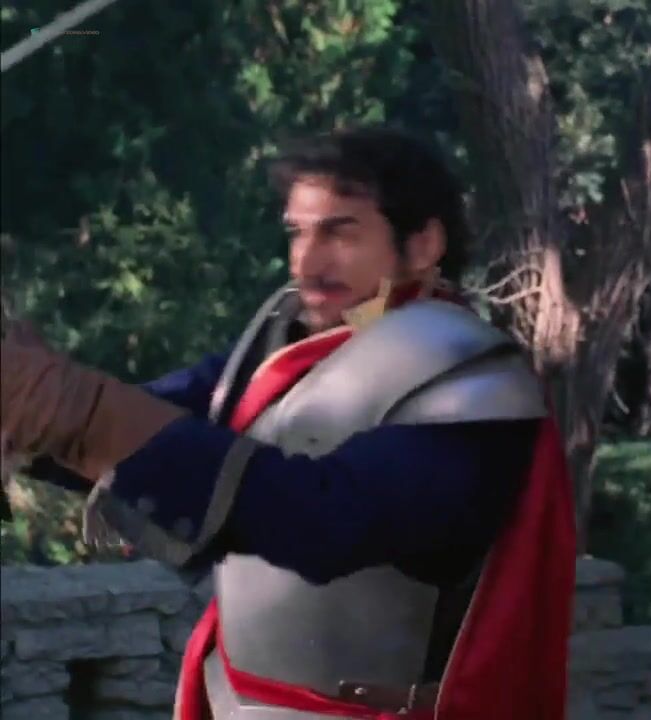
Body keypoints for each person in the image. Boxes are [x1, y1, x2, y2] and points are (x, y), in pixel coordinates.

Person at [0, 126, 577, 719]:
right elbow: (155, 433)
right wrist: (31, 417)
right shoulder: (291, 348)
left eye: (340, 232)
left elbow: (326, 521)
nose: (307, 261)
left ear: (424, 243)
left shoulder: (468, 379)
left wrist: (80, 409)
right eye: (297, 232)